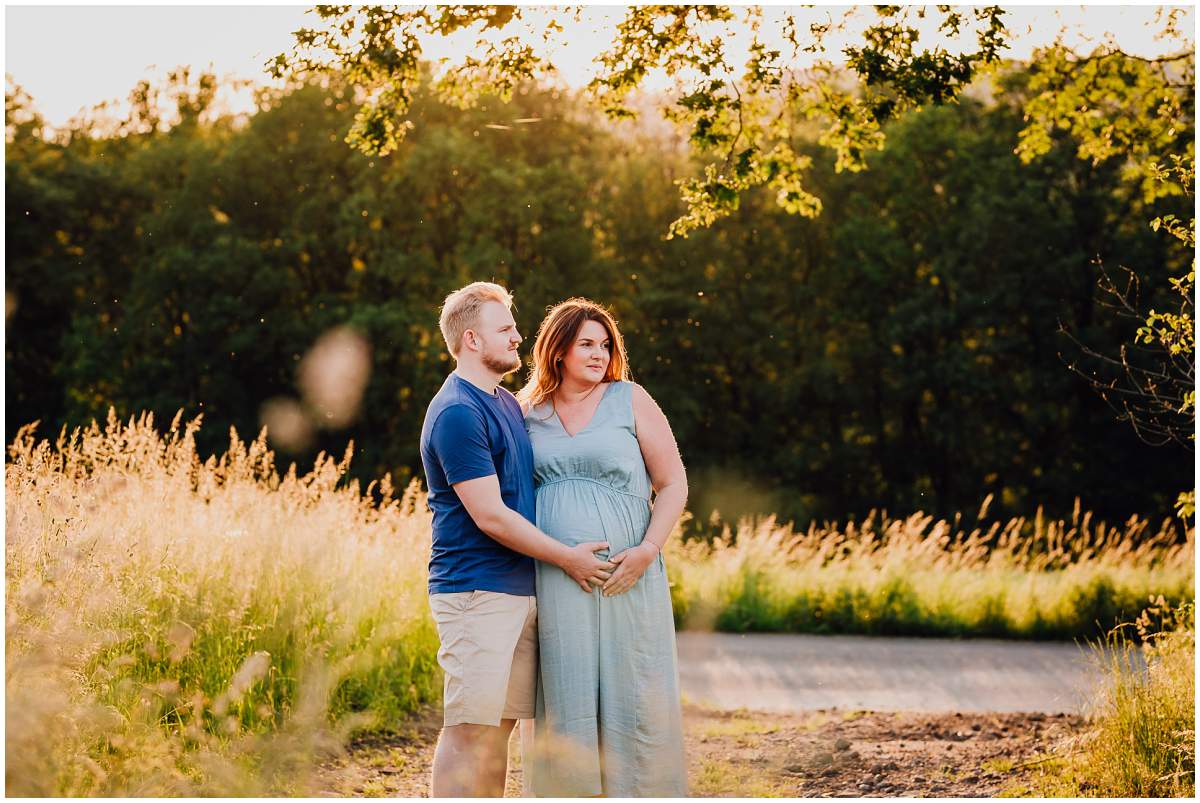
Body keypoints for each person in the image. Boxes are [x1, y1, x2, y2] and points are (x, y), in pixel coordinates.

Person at [419, 282, 615, 797]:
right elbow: (492, 517)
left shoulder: (504, 401)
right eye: (504, 328)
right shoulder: (458, 411)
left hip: (517, 589)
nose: (517, 336)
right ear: (471, 340)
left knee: (499, 732)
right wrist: (567, 559)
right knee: (469, 732)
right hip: (475, 593)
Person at [518, 297, 689, 797]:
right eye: (585, 343)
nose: (599, 353)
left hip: (627, 571)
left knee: (632, 684)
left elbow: (674, 482)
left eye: (605, 343)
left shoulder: (629, 398)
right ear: (558, 350)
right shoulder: (526, 412)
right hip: (555, 573)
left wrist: (648, 549)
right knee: (565, 689)